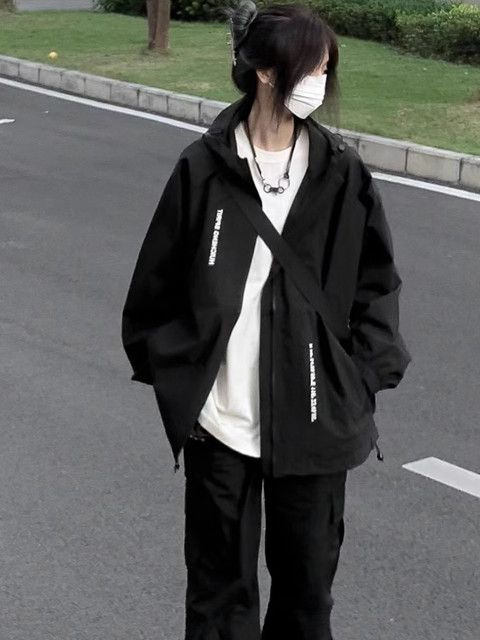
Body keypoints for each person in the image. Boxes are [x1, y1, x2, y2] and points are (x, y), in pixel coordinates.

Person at [121, 1, 412, 638]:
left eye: (327, 70)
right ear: (266, 72)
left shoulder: (341, 174)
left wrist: (358, 382)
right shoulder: (203, 169)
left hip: (315, 424)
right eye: (311, 68)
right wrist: (185, 383)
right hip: (220, 426)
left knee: (306, 603)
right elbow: (153, 293)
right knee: (218, 603)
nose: (320, 83)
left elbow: (378, 289)